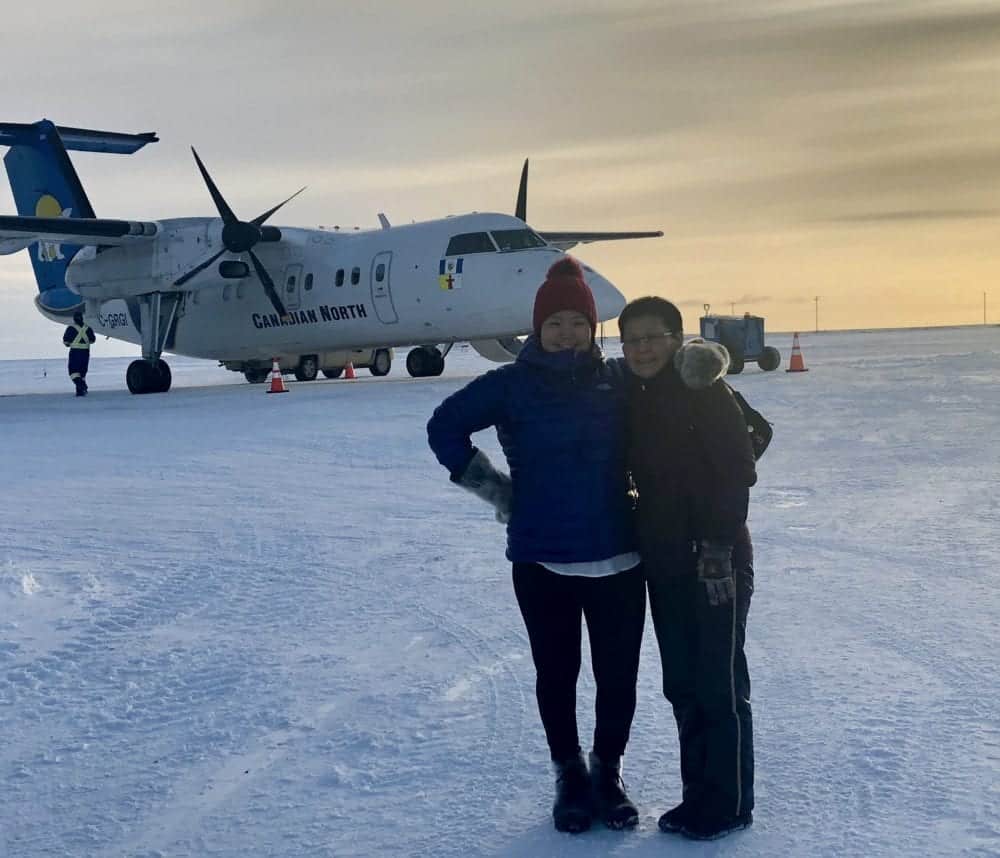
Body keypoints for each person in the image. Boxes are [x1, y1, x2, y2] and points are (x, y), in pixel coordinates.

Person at [427, 258, 645, 834]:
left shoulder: (619, 380)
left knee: (618, 672)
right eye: (555, 323)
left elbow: (675, 405)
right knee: (558, 671)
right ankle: (569, 775)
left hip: (619, 553)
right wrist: (495, 490)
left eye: (578, 321)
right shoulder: (510, 385)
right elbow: (444, 427)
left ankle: (609, 772)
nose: (567, 332)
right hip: (541, 555)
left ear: (592, 327)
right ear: (536, 329)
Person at [619, 296, 757, 841]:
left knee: (718, 684)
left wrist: (719, 546)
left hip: (714, 562)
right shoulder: (638, 395)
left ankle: (729, 803)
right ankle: (697, 795)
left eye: (654, 337)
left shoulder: (704, 389)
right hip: (666, 561)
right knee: (682, 684)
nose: (643, 348)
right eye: (632, 340)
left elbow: (740, 468)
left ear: (678, 339)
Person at [62, 309, 96, 396]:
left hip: (75, 353)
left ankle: (82, 386)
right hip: (85, 354)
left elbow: (66, 342)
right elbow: (92, 340)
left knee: (73, 373)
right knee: (82, 373)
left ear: (74, 319)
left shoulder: (71, 329)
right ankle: (80, 392)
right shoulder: (88, 328)